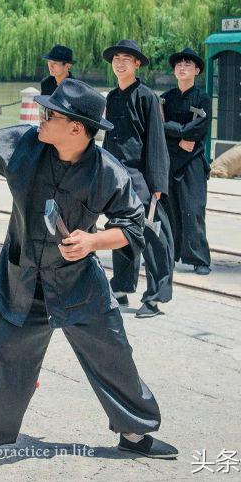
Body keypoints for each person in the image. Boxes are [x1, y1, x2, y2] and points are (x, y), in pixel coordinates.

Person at [0, 79, 178, 467]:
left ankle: (135, 432)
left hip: (79, 282)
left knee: (112, 351)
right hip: (22, 277)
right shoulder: (26, 144)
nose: (40, 117)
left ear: (76, 129)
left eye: (51, 114)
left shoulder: (106, 171)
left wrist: (92, 242)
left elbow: (133, 227)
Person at [101, 39, 174, 318]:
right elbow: (108, 138)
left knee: (153, 238)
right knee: (120, 232)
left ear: (137, 64)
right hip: (117, 177)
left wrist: (157, 186)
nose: (120, 63)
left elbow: (156, 141)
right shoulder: (112, 97)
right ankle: (120, 289)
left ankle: (155, 298)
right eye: (116, 58)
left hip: (142, 179)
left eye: (126, 59)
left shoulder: (147, 97)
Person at [161, 48, 212, 275]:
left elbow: (198, 129)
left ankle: (199, 259)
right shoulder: (165, 99)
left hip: (193, 161)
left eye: (188, 65)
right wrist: (179, 139)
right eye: (179, 65)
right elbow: (157, 128)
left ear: (197, 70)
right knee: (169, 210)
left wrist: (178, 132)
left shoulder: (203, 99)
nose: (182, 68)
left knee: (193, 209)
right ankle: (167, 256)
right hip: (170, 158)